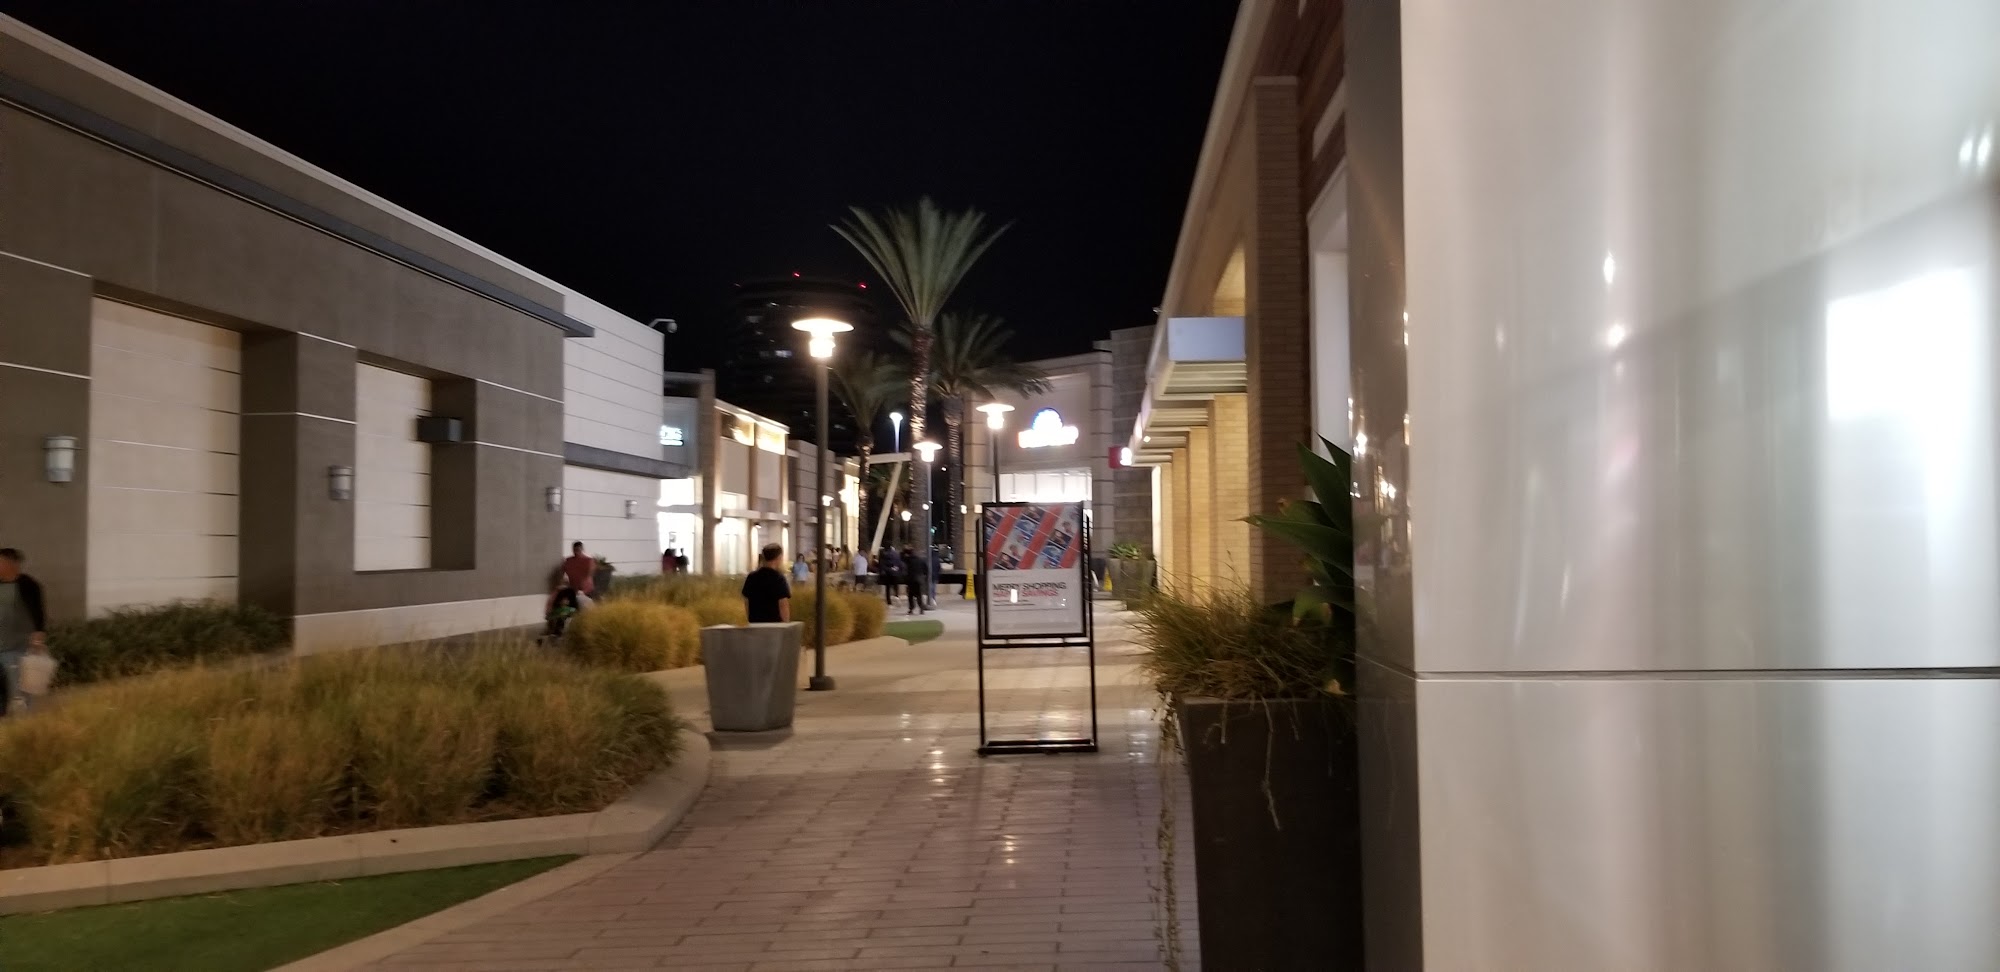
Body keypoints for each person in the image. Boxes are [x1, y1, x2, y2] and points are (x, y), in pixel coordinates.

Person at [0, 548, 50, 717]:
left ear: (13, 564)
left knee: (19, 687)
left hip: (19, 645)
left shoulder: (28, 585)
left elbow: (38, 612)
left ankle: (23, 719)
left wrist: (39, 634)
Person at [742, 543, 791, 623]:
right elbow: (783, 604)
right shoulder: (778, 578)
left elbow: (746, 601)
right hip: (775, 625)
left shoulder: (751, 577)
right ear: (779, 557)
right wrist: (786, 624)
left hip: (755, 624)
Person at [902, 544, 928, 615]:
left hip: (911, 580)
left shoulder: (908, 560)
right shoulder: (921, 560)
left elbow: (901, 557)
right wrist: (924, 576)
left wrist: (904, 550)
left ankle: (911, 608)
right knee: (919, 594)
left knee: (910, 595)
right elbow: (926, 569)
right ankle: (921, 608)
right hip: (919, 579)